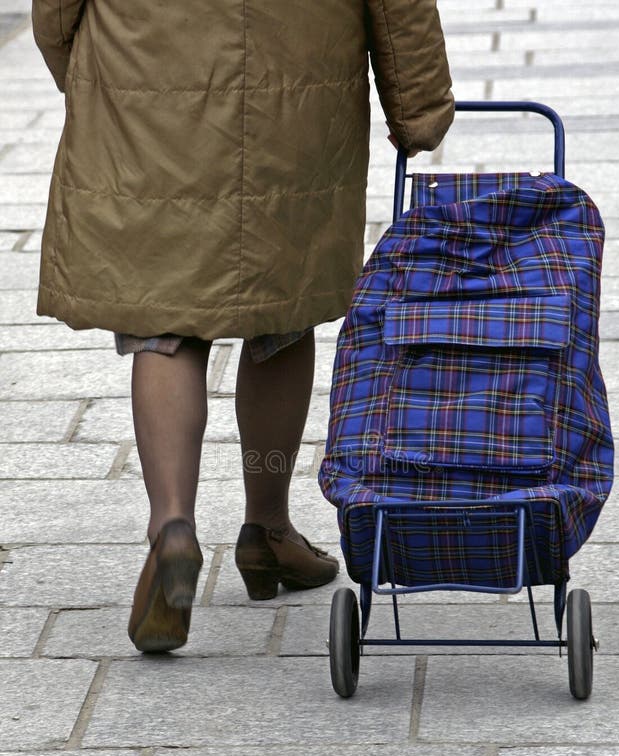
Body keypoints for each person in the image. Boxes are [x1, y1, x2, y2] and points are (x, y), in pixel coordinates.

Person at [31, 0, 454, 652]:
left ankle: (171, 523)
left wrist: (84, 67)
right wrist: (418, 106)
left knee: (162, 321)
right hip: (298, 83)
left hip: (145, 72)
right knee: (280, 312)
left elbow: (56, 11)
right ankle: (267, 527)